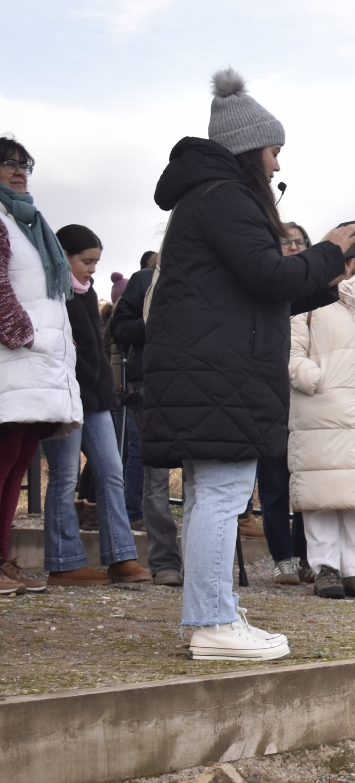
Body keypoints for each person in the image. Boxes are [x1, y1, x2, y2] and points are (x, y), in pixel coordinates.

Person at [143, 69, 355, 660]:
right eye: (273, 152)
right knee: (221, 494)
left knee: (208, 495)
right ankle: (214, 622)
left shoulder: (206, 198)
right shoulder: (227, 198)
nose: (276, 165)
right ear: (248, 150)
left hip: (207, 369)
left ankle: (209, 614)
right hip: (219, 373)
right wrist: (329, 249)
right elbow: (267, 276)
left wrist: (322, 279)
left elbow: (251, 293)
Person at [287, 238, 355, 600]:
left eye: (353, 255)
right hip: (320, 408)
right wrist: (316, 378)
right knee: (321, 492)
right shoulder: (307, 296)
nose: (347, 262)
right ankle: (325, 568)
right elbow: (290, 351)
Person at [41, 224, 148, 585]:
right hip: (62, 397)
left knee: (112, 471)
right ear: (64, 256)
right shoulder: (48, 293)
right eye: (86, 261)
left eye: (96, 262)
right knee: (64, 475)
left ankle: (121, 557)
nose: (92, 269)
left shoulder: (87, 293)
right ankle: (64, 562)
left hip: (96, 398)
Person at [0, 136, 78, 595]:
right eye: (8, 164)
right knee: (4, 459)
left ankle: (2, 560)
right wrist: (24, 334)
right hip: (13, 358)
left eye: (24, 165)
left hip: (37, 362)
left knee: (18, 463)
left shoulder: (28, 221)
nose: (18, 172)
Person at [109, 248, 183, 586]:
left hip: (198, 385)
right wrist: (152, 322)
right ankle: (165, 561)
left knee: (201, 479)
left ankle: (199, 560)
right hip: (150, 384)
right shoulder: (143, 281)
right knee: (155, 480)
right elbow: (118, 329)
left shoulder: (208, 277)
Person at [256, 222, 313, 585]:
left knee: (308, 483)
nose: (293, 247)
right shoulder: (264, 288)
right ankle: (282, 558)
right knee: (274, 483)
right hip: (272, 399)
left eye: (299, 242)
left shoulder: (318, 293)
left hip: (310, 401)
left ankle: (307, 555)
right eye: (285, 242)